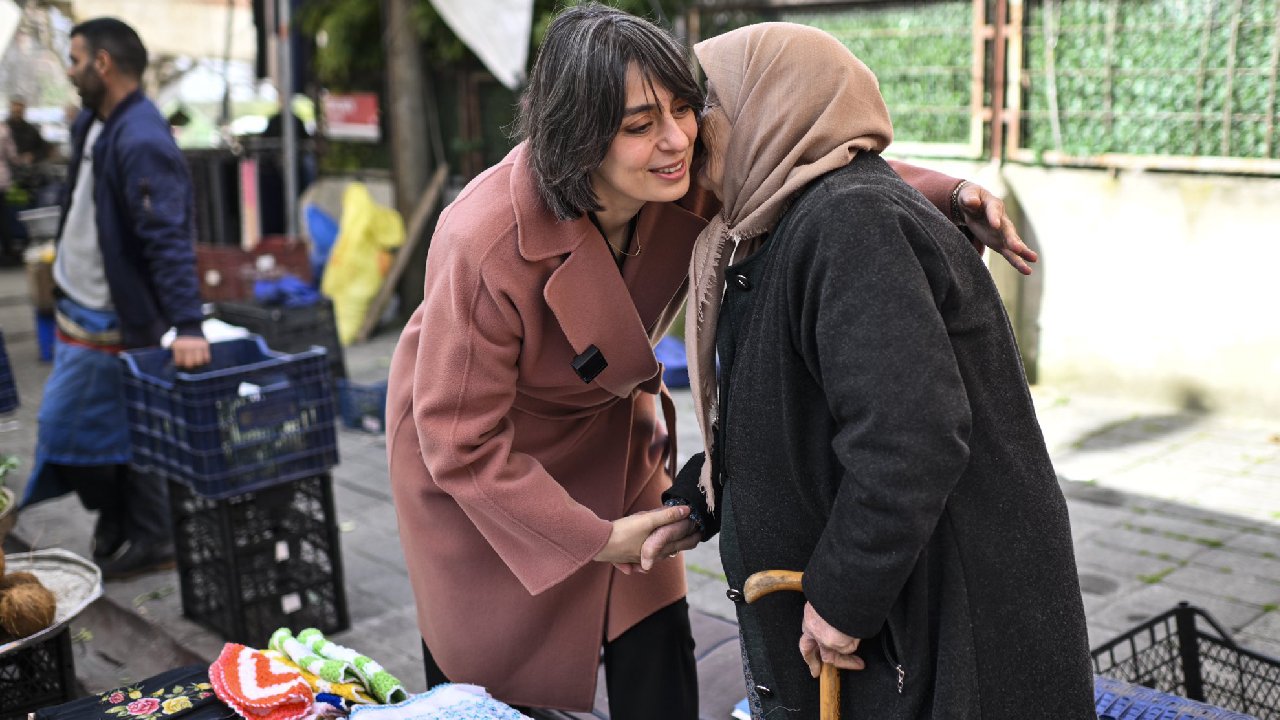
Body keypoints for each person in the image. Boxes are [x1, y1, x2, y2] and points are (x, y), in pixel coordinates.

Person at [386, 4, 1034, 716]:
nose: (675, 139)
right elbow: (456, 439)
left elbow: (805, 159)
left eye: (684, 108)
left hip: (614, 438)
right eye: (638, 125)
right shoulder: (481, 238)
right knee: (488, 689)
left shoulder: (684, 173)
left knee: (657, 653)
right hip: (483, 458)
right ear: (576, 140)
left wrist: (950, 192)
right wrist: (593, 538)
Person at [649, 23, 1096, 718]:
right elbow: (796, 412)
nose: (697, 127)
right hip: (904, 637)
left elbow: (909, 438)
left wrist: (842, 597)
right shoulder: (793, 220)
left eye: (713, 102)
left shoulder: (849, 223)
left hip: (936, 642)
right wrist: (705, 496)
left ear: (777, 111)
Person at [21, 18, 211, 581]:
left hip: (110, 322)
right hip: (78, 310)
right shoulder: (98, 124)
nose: (71, 71)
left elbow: (169, 239)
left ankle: (144, 527)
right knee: (122, 429)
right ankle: (132, 525)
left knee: (65, 429)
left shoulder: (143, 138)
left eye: (76, 60)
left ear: (103, 63)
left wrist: (189, 326)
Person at [6, 97, 51, 163]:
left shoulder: (31, 130)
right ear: (10, 108)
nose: (18, 109)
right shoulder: (3, 129)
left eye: (20, 107)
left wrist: (33, 155)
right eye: (15, 107)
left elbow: (44, 148)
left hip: (27, 167)